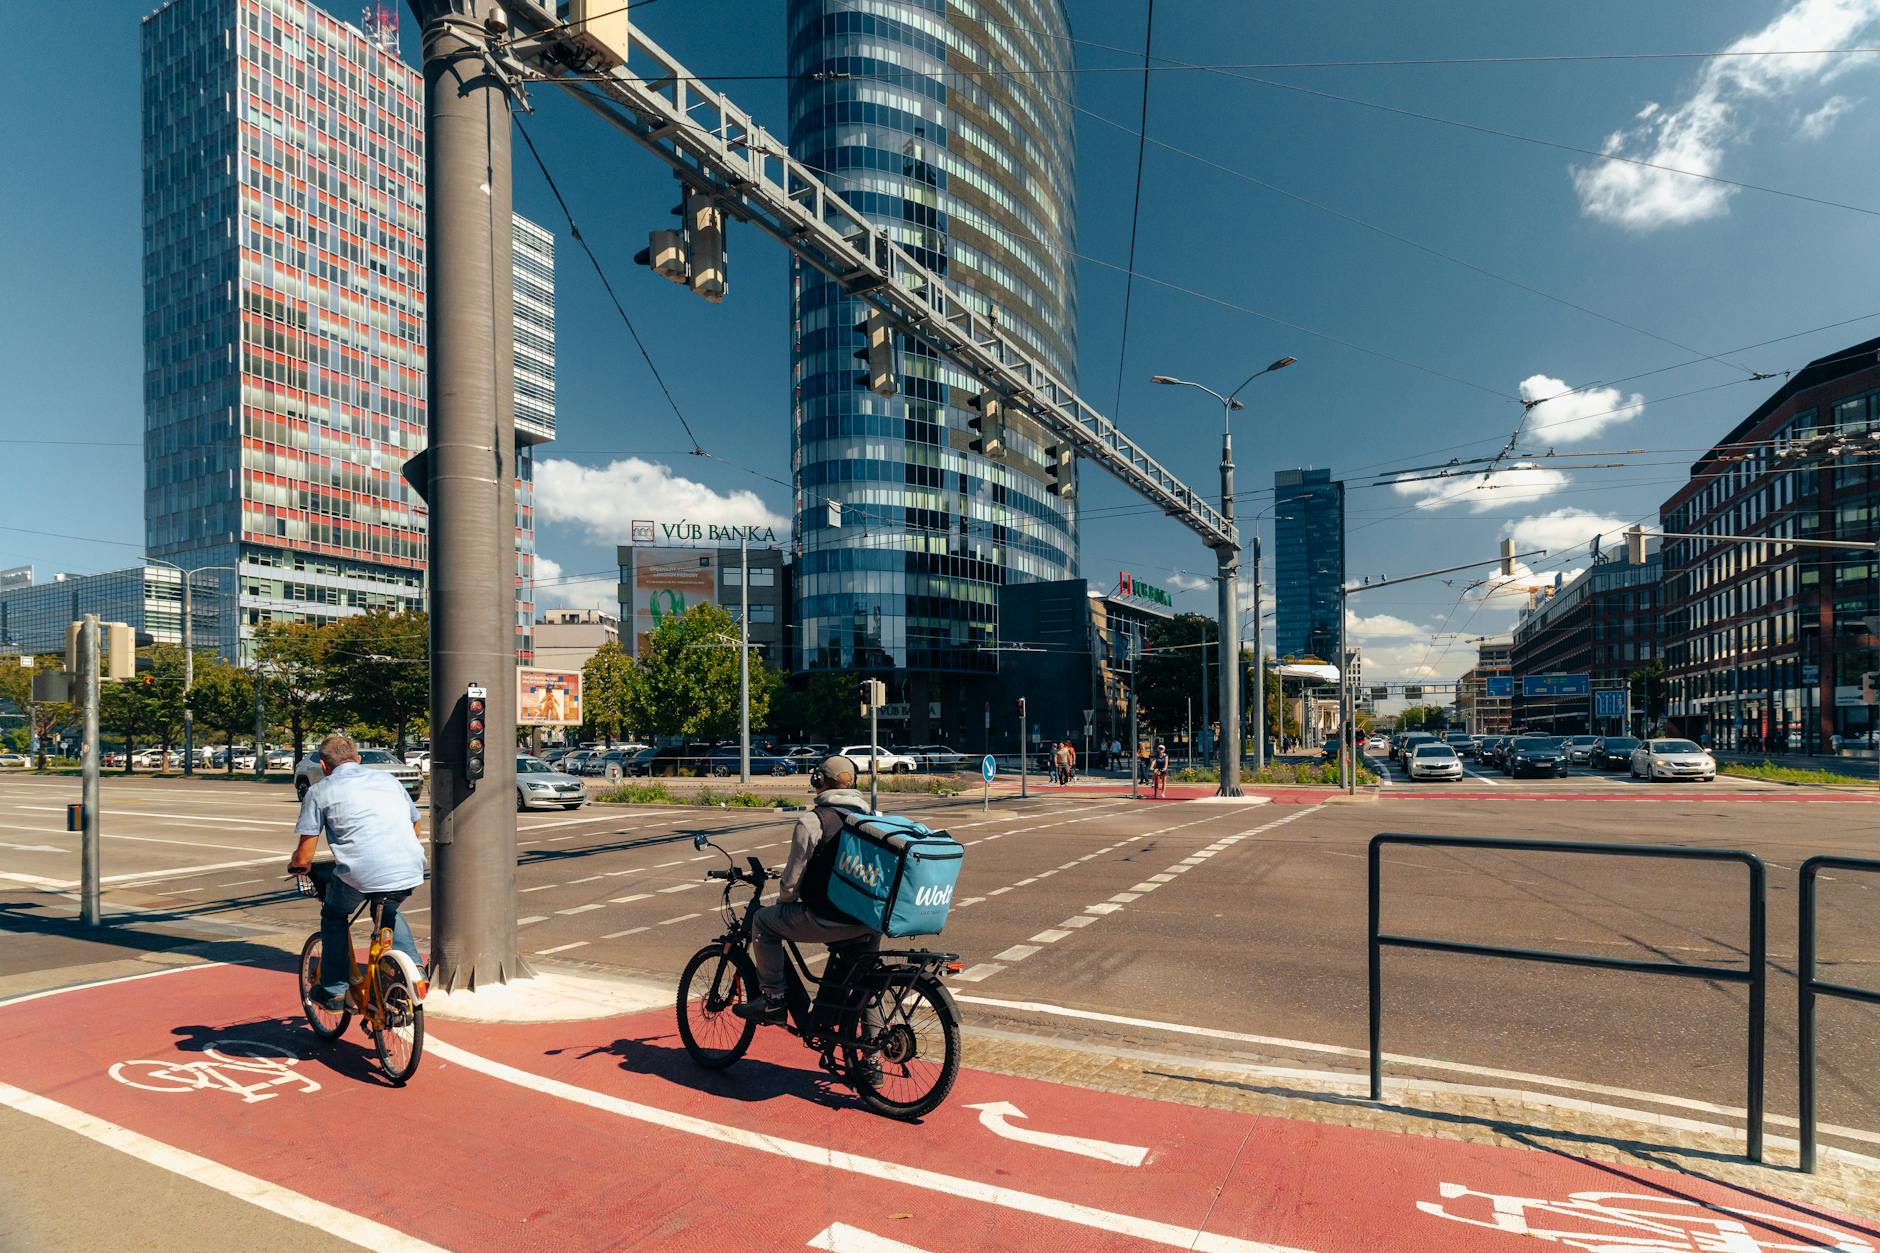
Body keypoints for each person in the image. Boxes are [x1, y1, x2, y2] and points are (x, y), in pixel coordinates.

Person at [736, 754, 881, 1024]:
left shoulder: (813, 821)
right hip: (869, 921)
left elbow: (791, 884)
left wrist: (785, 899)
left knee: (763, 922)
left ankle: (773, 1000)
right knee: (866, 986)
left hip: (828, 917)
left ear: (818, 781)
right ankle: (869, 1058)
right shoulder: (871, 819)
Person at [287, 734, 426, 1010]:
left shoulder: (318, 792)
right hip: (410, 866)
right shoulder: (389, 781)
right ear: (359, 760)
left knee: (335, 915)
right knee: (388, 911)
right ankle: (416, 972)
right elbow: (416, 826)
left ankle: (336, 990)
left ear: (325, 767)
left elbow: (305, 855)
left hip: (360, 873)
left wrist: (297, 866)